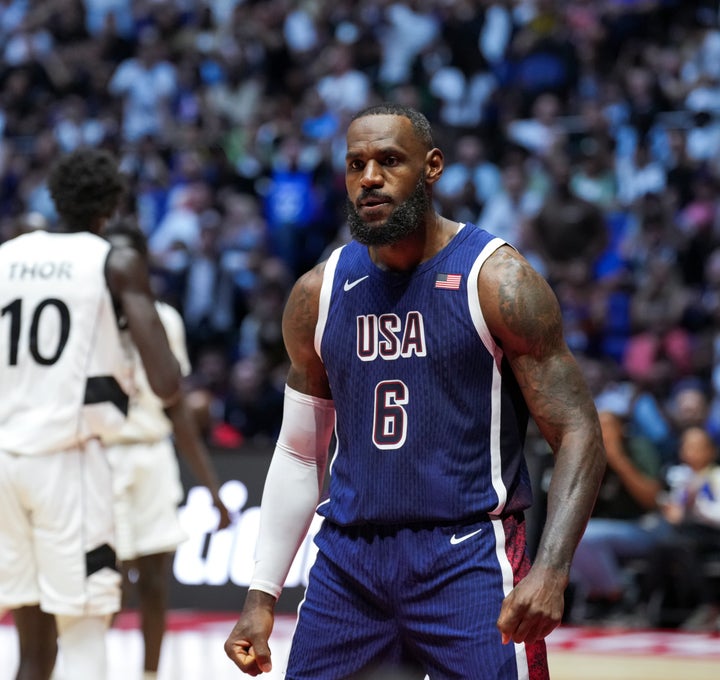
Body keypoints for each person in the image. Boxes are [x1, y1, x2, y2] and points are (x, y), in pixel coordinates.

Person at [224, 103, 606, 679]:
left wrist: (551, 568)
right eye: (356, 165)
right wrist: (261, 595)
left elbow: (577, 430)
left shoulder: (497, 279)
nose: (369, 178)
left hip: (469, 555)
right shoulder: (318, 294)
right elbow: (300, 450)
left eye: (388, 161)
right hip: (349, 561)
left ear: (432, 167)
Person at [0, 148, 184, 680]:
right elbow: (167, 383)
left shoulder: (8, 254)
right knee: (83, 630)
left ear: (55, 198)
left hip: (7, 461)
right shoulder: (113, 261)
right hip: (69, 463)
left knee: (32, 643)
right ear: (111, 207)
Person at [101, 218, 233, 680]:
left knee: (156, 582)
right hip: (99, 458)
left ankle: (150, 675)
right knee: (105, 586)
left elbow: (176, 409)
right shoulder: (86, 320)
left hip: (151, 455)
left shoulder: (166, 320)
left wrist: (212, 490)